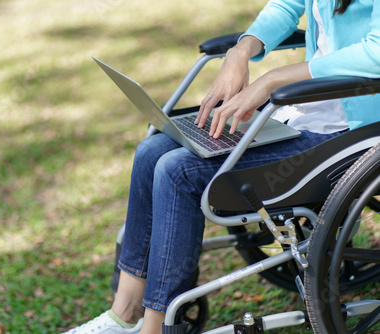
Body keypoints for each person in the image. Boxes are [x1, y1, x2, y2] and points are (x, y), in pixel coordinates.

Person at [62, 0, 380, 333]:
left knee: (178, 171)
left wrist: (271, 79)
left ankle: (154, 328)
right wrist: (240, 51)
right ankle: (125, 313)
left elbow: (374, 54)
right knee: (151, 150)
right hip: (298, 113)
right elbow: (286, 7)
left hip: (349, 132)